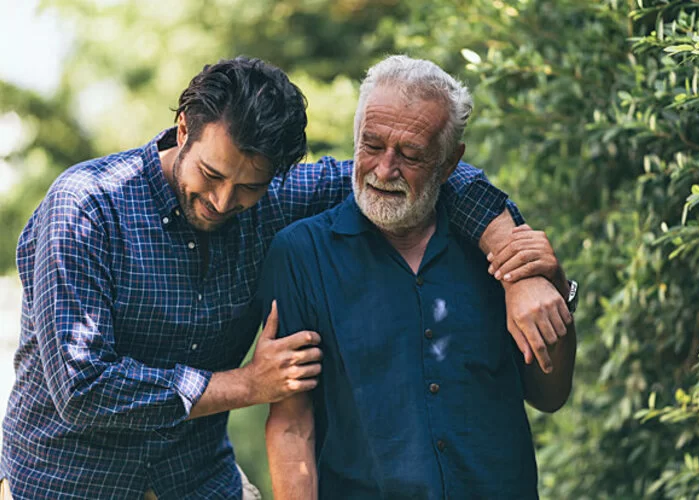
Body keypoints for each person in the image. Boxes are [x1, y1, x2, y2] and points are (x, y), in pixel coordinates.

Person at [0, 56, 568, 499]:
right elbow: (82, 387)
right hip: (65, 483)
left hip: (196, 485)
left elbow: (438, 175)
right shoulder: (84, 209)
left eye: (248, 187)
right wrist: (248, 384)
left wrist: (515, 265)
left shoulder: (277, 197)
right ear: (182, 130)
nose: (223, 201)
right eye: (211, 174)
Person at [262, 55, 577, 499]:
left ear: (450, 164)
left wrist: (554, 292)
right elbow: (293, 424)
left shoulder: (498, 246)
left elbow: (549, 395)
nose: (384, 170)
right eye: (371, 146)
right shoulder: (301, 254)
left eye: (410, 155)